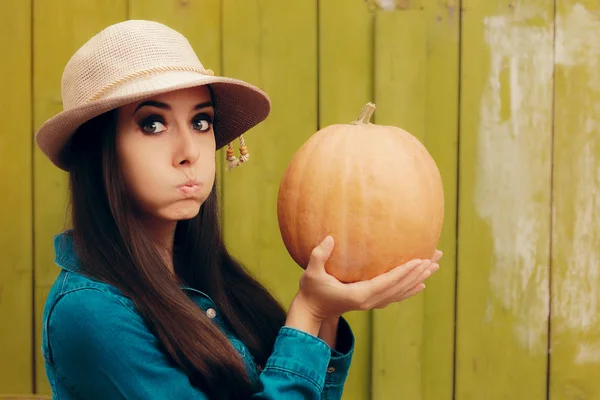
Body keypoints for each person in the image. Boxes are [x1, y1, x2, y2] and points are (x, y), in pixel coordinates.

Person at [35, 20, 442, 400]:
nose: (189, 152)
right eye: (153, 125)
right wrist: (309, 311)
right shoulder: (89, 313)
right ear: (99, 150)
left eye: (200, 122)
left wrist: (327, 315)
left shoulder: (205, 280)